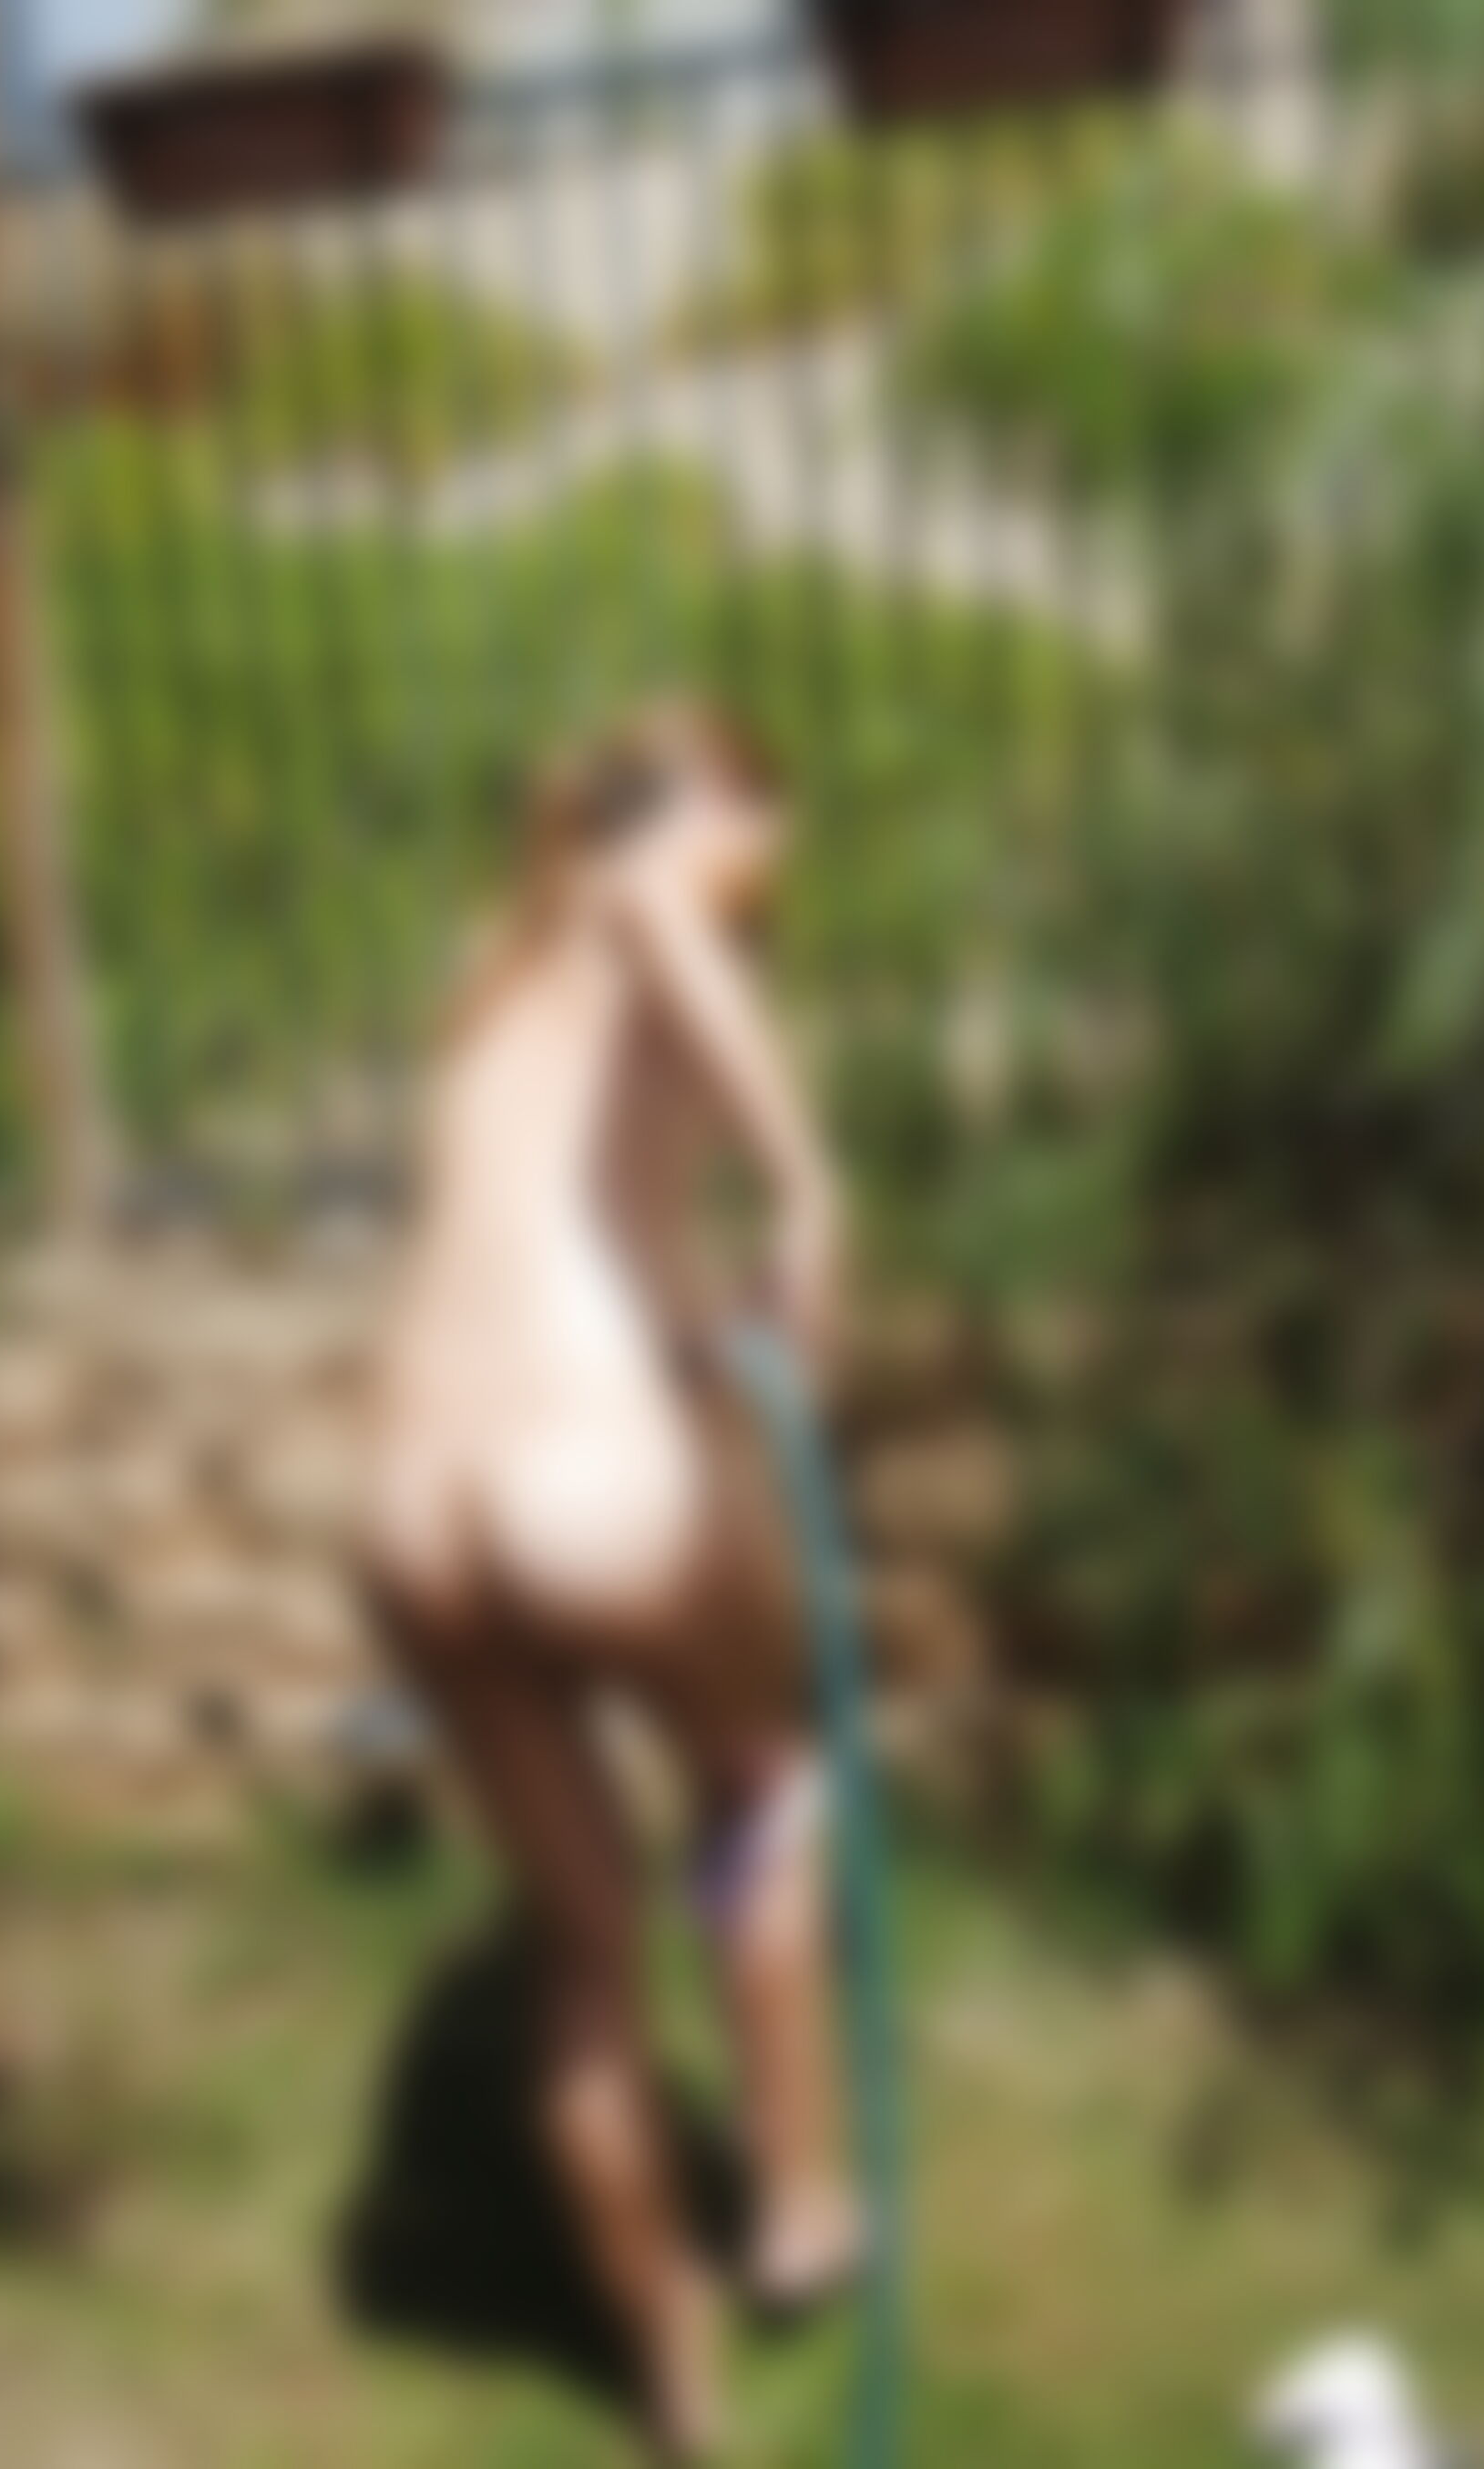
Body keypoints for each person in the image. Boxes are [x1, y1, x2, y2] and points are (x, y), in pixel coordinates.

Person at [357, 702, 863, 2462]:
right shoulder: (648, 897)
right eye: (759, 829)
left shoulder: (491, 988)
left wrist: (703, 1335)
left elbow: (574, 1248)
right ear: (701, 800)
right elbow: (656, 900)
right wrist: (808, 1189)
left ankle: (671, 2376)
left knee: (583, 1947)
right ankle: (797, 2209)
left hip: (412, 1503)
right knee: (767, 1783)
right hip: (580, 1485)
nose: (760, 879)